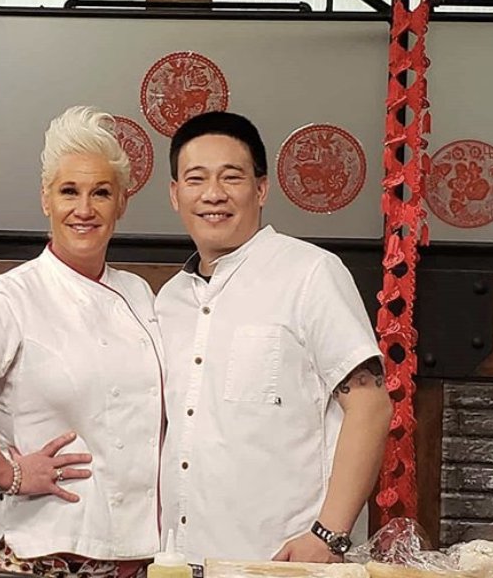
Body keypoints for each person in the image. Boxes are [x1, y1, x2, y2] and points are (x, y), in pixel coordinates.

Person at [0, 106, 164, 577]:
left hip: (136, 555)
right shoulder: (12, 296)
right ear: (46, 200)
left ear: (121, 203)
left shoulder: (138, 293)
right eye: (69, 191)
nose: (84, 209)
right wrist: (10, 474)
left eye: (101, 192)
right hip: (43, 555)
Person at [156, 111, 392, 565]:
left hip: (285, 562)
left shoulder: (310, 273)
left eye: (231, 177)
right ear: (174, 193)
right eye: (196, 179)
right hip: (184, 560)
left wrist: (328, 535)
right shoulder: (169, 301)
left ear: (261, 188)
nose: (213, 194)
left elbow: (370, 405)